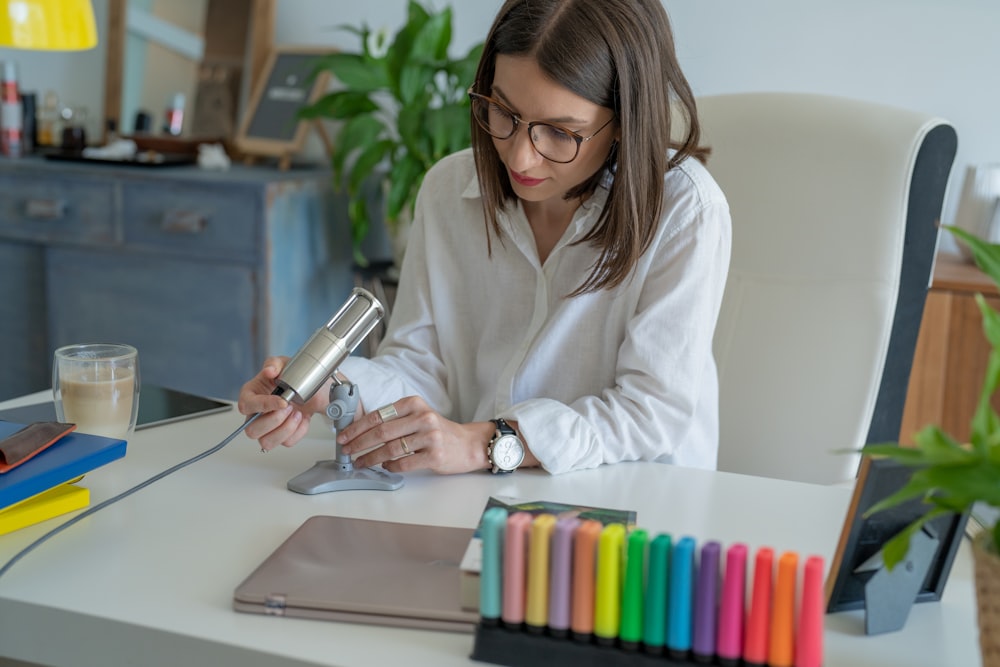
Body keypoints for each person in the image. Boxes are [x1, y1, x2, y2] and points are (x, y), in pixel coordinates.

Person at [238, 0, 731, 476]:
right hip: (482, 498)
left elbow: (651, 413)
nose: (519, 158)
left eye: (560, 132)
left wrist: (486, 444)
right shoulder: (448, 190)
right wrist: (334, 388)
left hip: (641, 509)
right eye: (504, 112)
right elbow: (422, 369)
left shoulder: (685, 211)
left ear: (624, 122)